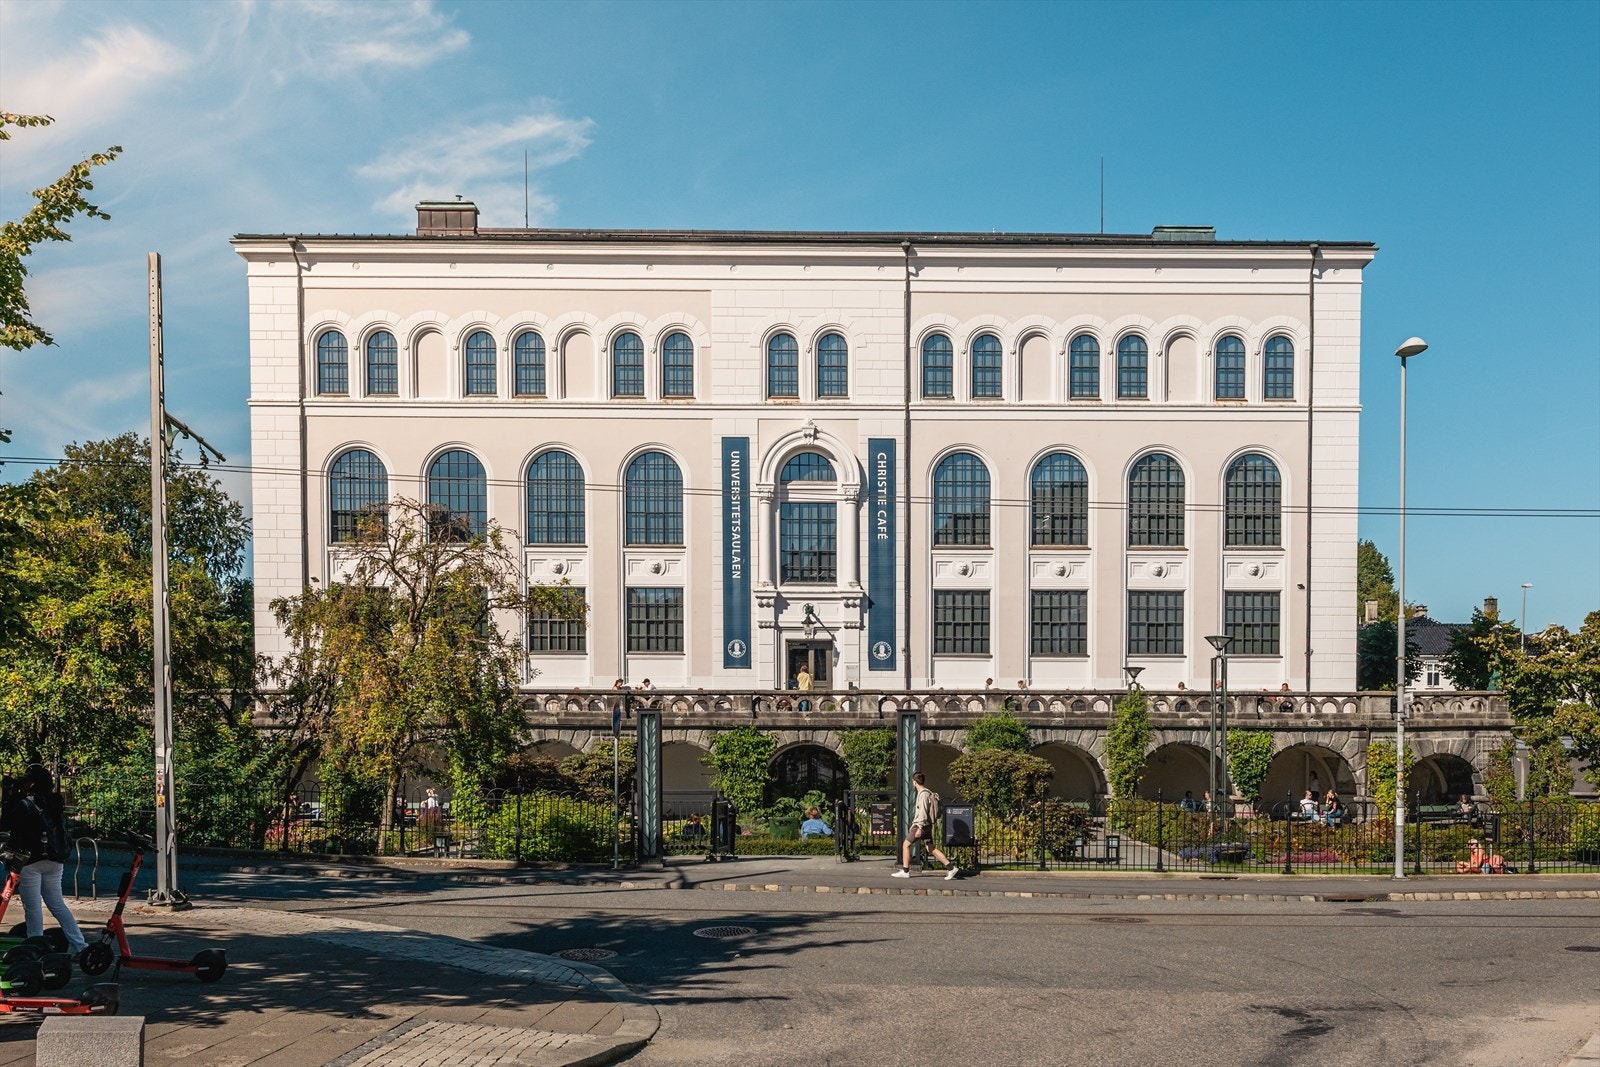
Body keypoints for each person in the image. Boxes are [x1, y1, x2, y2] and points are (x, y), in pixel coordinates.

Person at [0, 766, 88, 960]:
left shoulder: (24, 804)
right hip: (54, 859)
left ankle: (35, 946)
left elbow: (6, 822)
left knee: (32, 907)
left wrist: (11, 794)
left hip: (29, 860)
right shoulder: (55, 800)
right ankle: (80, 945)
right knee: (57, 904)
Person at [894, 772, 958, 880]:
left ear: (914, 782)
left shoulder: (923, 794)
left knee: (905, 845)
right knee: (931, 848)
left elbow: (923, 812)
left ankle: (905, 871)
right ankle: (950, 868)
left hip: (921, 825)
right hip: (926, 825)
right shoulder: (927, 793)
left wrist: (919, 827)